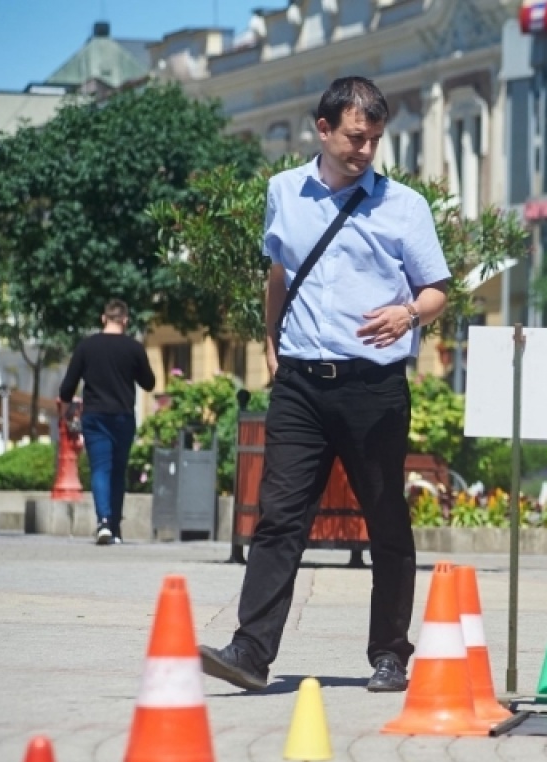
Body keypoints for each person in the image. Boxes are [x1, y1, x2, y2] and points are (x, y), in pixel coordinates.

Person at [199, 77, 451, 694]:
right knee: (279, 517)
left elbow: (437, 289)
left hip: (374, 389)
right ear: (324, 129)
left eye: (374, 140)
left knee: (385, 519)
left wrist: (410, 314)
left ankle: (390, 654)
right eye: (355, 137)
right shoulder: (283, 191)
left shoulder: (405, 206)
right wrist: (270, 342)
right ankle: (251, 652)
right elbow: (280, 273)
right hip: (302, 385)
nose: (366, 149)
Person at [57, 299, 156, 545]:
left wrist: (67, 406)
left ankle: (103, 522)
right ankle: (115, 527)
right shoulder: (134, 348)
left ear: (104, 318)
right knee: (118, 471)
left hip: (95, 416)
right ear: (125, 320)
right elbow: (149, 383)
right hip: (123, 416)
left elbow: (67, 388)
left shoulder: (86, 347)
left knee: (100, 468)